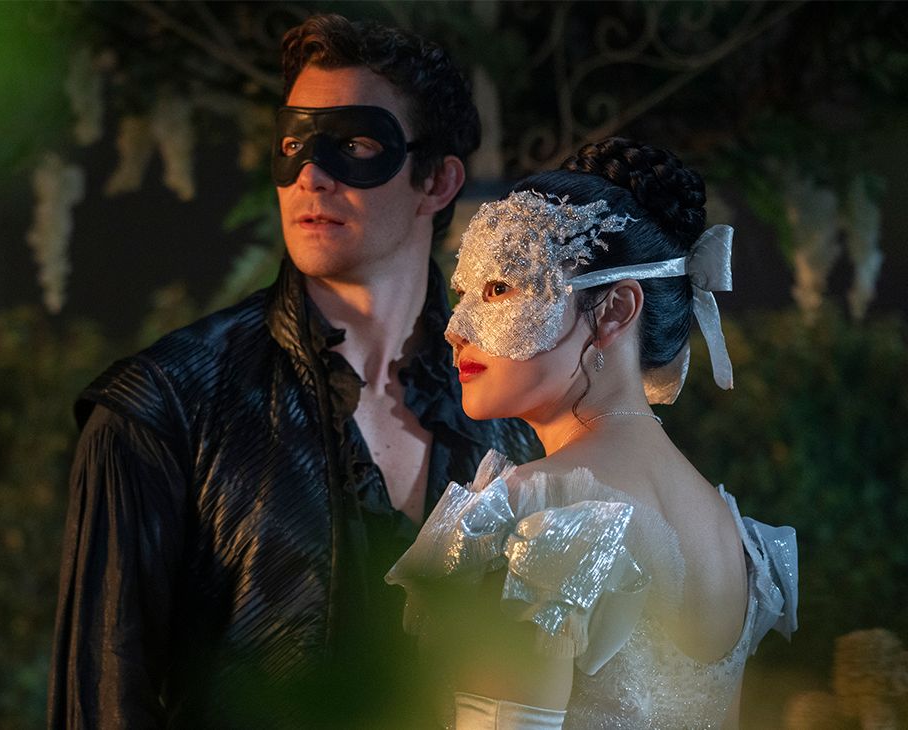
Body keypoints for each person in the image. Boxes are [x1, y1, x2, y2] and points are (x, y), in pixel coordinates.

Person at [47, 13, 540, 730]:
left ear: (437, 181)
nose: (311, 174)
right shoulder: (161, 410)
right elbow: (102, 706)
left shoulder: (523, 413)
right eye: (293, 146)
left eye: (356, 145)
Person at [386, 138, 799, 730]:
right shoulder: (728, 532)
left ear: (613, 310)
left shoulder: (536, 513)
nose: (456, 329)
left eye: (499, 289)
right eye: (463, 295)